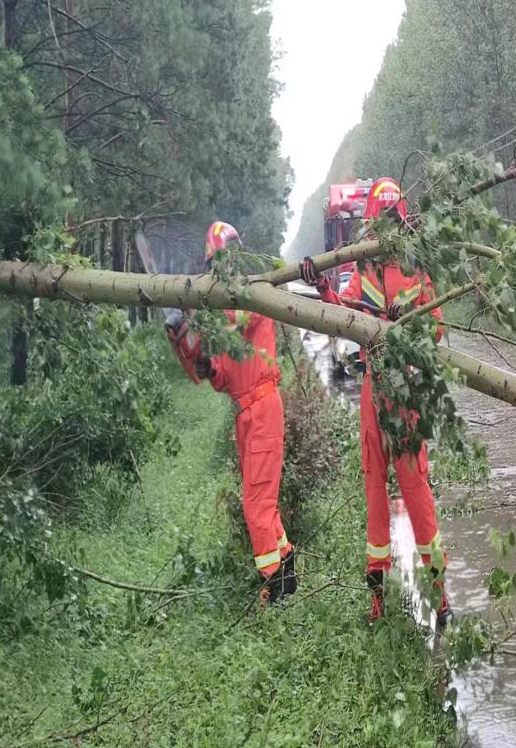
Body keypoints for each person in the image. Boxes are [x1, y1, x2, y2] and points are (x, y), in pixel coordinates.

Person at [300, 177, 453, 627]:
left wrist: (408, 324)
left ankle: (440, 598)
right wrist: (321, 287)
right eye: (381, 223)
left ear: (400, 222)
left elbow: (438, 330)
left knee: (419, 497)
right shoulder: (363, 270)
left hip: (406, 392)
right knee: (375, 500)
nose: (386, 231)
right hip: (374, 390)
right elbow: (343, 314)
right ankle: (378, 601)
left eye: (391, 222)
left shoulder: (417, 270)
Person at [167, 221, 295, 606]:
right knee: (263, 503)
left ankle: (273, 589)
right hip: (246, 413)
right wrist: (195, 354)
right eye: (214, 265)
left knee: (255, 506)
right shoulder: (223, 308)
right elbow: (221, 375)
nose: (220, 270)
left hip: (262, 408)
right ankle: (287, 574)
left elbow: (234, 321)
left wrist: (197, 317)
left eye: (223, 261)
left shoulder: (251, 294)